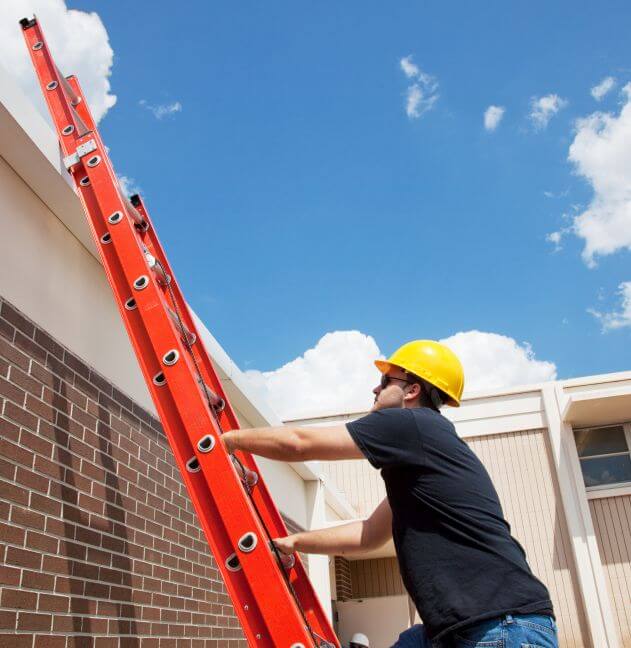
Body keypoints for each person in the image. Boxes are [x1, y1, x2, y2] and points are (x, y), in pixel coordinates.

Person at [222, 340, 558, 647]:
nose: (375, 387)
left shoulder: (413, 424)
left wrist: (228, 440)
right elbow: (369, 534)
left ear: (412, 390)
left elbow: (299, 443)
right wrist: (296, 542)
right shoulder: (423, 458)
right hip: (466, 627)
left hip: (501, 627)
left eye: (386, 382)